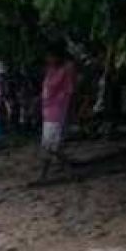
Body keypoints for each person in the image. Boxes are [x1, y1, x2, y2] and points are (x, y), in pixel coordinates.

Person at [40, 44, 77, 181]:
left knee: (52, 146)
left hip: (58, 110)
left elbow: (69, 91)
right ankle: (66, 172)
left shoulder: (65, 70)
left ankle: (66, 172)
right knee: (49, 145)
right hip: (49, 111)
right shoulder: (51, 70)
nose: (48, 59)